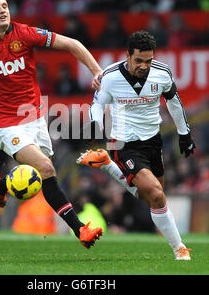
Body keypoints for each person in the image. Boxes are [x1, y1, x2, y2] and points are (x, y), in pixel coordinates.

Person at [0, 0, 103, 248]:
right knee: (47, 168)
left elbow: (73, 44)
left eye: (5, 5)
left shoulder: (25, 34)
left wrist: (97, 71)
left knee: (45, 176)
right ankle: (81, 230)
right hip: (6, 126)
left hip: (36, 120)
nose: (2, 10)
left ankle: (1, 185)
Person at [77, 31, 196, 259]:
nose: (144, 66)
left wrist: (184, 133)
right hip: (123, 143)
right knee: (156, 194)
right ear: (128, 56)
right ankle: (180, 249)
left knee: (149, 198)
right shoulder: (110, 76)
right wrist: (94, 123)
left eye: (148, 60)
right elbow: (97, 104)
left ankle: (108, 165)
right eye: (139, 60)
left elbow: (174, 101)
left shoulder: (161, 74)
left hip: (153, 141)